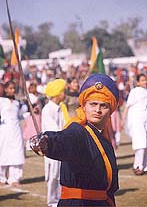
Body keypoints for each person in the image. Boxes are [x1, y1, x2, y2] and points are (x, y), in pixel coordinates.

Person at [31, 73, 119, 207]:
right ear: (84, 106)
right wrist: (47, 142)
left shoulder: (103, 138)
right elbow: (65, 140)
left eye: (104, 106)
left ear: (110, 110)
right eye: (93, 104)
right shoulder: (78, 130)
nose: (97, 110)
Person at [42, 79, 69, 207]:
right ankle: (52, 201)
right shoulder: (47, 109)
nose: (65, 94)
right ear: (57, 94)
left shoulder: (61, 107)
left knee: (61, 173)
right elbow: (53, 129)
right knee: (53, 174)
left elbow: (65, 124)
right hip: (52, 146)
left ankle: (60, 199)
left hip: (62, 144)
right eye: (63, 91)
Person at [121, 73, 147, 175]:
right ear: (137, 82)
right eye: (142, 80)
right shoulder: (134, 92)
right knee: (140, 144)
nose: (145, 82)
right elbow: (128, 106)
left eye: (145, 80)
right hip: (137, 120)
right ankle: (138, 166)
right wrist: (123, 119)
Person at [0, 81, 25, 186]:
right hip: (4, 130)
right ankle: (1, 178)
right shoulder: (1, 101)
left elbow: (21, 116)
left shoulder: (17, 103)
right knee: (3, 153)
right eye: (10, 88)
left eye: (14, 88)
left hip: (16, 131)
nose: (12, 90)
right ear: (5, 89)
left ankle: (14, 178)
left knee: (16, 154)